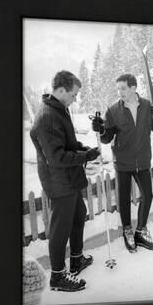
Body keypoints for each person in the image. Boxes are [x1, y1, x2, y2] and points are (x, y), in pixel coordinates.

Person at [30, 70, 100, 292]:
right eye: (73, 94)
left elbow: (66, 143)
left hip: (69, 178)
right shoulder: (47, 118)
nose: (75, 99)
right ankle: (58, 277)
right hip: (59, 181)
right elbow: (57, 157)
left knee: (79, 215)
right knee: (60, 228)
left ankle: (77, 259)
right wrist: (85, 157)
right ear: (60, 90)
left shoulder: (59, 110)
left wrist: (83, 148)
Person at [91, 73, 153, 253]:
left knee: (147, 195)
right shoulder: (113, 110)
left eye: (123, 88)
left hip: (142, 160)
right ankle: (127, 231)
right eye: (118, 89)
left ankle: (141, 231)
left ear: (134, 88)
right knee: (123, 199)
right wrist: (101, 129)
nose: (120, 92)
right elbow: (107, 137)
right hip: (123, 162)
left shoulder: (147, 106)